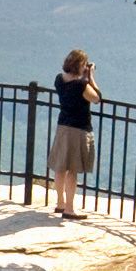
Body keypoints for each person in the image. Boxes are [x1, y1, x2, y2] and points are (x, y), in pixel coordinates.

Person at [48, 48, 101, 220]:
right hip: (78, 130)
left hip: (63, 127)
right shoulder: (81, 85)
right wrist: (90, 77)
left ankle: (60, 203)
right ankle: (69, 209)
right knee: (72, 170)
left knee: (60, 167)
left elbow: (72, 85)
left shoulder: (59, 80)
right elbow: (97, 98)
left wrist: (83, 76)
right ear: (80, 65)